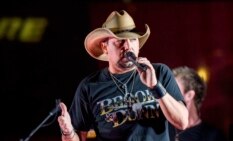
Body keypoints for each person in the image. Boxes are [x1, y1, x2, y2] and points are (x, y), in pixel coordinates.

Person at [57, 10, 188, 141]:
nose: (127, 46)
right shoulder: (89, 86)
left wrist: (155, 86)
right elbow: (79, 138)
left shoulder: (159, 72)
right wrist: (68, 132)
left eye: (132, 39)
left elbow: (182, 122)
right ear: (104, 47)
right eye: (119, 41)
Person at [171, 66, 227, 141]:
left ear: (189, 95)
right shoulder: (159, 131)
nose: (167, 95)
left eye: (173, 89)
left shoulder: (212, 136)